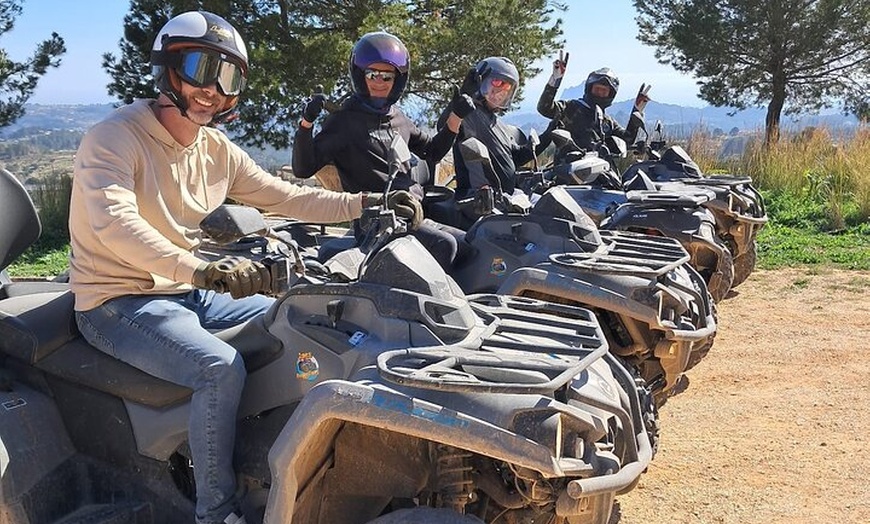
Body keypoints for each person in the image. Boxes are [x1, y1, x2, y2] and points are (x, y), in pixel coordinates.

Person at [67, 11, 420, 524]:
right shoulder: (115, 137)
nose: (212, 89)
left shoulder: (214, 148)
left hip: (187, 289)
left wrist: (366, 204)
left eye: (227, 76)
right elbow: (115, 225)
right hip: (118, 300)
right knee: (218, 368)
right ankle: (216, 510)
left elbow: (286, 195)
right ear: (167, 67)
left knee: (296, 317)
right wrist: (199, 269)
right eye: (200, 68)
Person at [292, 31, 476, 268]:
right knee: (445, 245)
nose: (379, 82)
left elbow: (432, 152)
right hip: (375, 224)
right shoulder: (344, 121)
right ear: (360, 76)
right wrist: (306, 123)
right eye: (372, 74)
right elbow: (303, 168)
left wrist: (456, 117)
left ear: (398, 80)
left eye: (387, 76)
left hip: (411, 214)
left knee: (471, 244)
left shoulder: (397, 117)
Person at [440, 56, 547, 201]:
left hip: (507, 199)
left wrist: (549, 133)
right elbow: (443, 128)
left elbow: (516, 157)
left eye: (506, 89)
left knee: (549, 204)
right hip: (477, 200)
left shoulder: (498, 124)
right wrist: (463, 98)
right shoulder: (469, 114)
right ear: (481, 81)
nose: (500, 94)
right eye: (497, 84)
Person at [536, 51, 650, 152]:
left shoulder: (607, 122)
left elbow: (627, 140)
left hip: (599, 167)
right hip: (568, 167)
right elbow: (544, 108)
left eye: (604, 91)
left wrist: (637, 110)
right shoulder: (571, 108)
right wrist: (555, 80)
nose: (600, 93)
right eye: (597, 89)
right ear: (589, 88)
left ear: (610, 94)